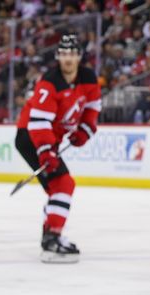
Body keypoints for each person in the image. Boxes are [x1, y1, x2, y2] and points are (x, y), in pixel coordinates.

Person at [15, 34, 102, 263]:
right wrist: (45, 150)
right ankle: (51, 238)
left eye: (72, 54)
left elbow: (93, 108)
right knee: (63, 184)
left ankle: (51, 234)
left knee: (58, 187)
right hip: (30, 137)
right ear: (58, 56)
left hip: (49, 140)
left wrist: (84, 131)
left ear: (79, 56)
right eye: (63, 54)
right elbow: (38, 122)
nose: (68, 59)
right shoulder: (50, 81)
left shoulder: (89, 78)